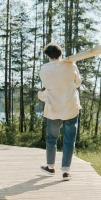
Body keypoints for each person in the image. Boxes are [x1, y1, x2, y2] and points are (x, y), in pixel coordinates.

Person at [37, 43, 81, 181]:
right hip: (70, 107)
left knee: (52, 139)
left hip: (54, 109)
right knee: (69, 140)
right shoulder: (71, 65)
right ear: (60, 53)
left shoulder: (44, 69)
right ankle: (66, 171)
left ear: (47, 55)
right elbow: (78, 82)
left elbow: (46, 85)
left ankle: (50, 167)